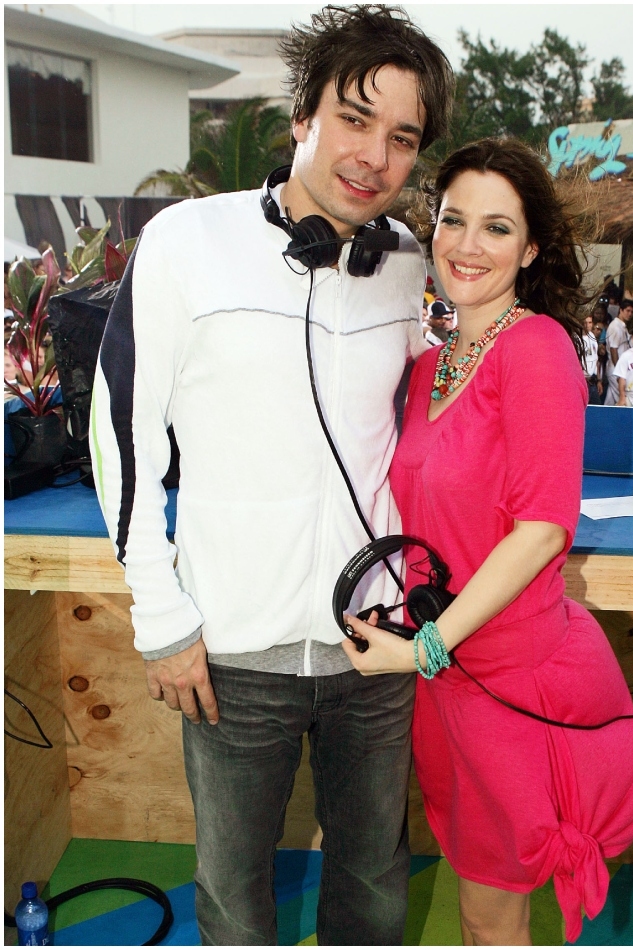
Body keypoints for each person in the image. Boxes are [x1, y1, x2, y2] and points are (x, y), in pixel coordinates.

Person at [90, 6, 454, 946]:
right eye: (354, 118)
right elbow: (125, 434)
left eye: (402, 137)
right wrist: (160, 614)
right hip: (229, 652)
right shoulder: (186, 240)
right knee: (234, 899)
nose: (374, 155)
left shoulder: (407, 265)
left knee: (374, 888)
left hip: (373, 644)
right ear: (303, 115)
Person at [343, 138, 633, 945]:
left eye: (497, 227)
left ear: (532, 246)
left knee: (489, 910)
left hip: (507, 678)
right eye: (453, 220)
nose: (467, 245)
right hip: (444, 676)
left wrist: (424, 646)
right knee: (477, 893)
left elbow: (543, 529)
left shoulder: (538, 348)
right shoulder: (432, 366)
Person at [603, 298, 633, 405]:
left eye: (631, 312)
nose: (629, 314)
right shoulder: (615, 327)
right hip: (615, 368)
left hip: (618, 367)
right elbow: (613, 349)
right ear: (621, 310)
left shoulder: (622, 326)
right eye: (627, 311)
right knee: (622, 398)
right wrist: (619, 370)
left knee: (610, 399)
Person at [581, 312, 603, 404]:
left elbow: (596, 360)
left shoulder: (592, 337)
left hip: (593, 380)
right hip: (582, 380)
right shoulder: (576, 338)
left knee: (597, 410)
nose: (587, 325)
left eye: (590, 322)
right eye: (585, 322)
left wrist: (599, 380)